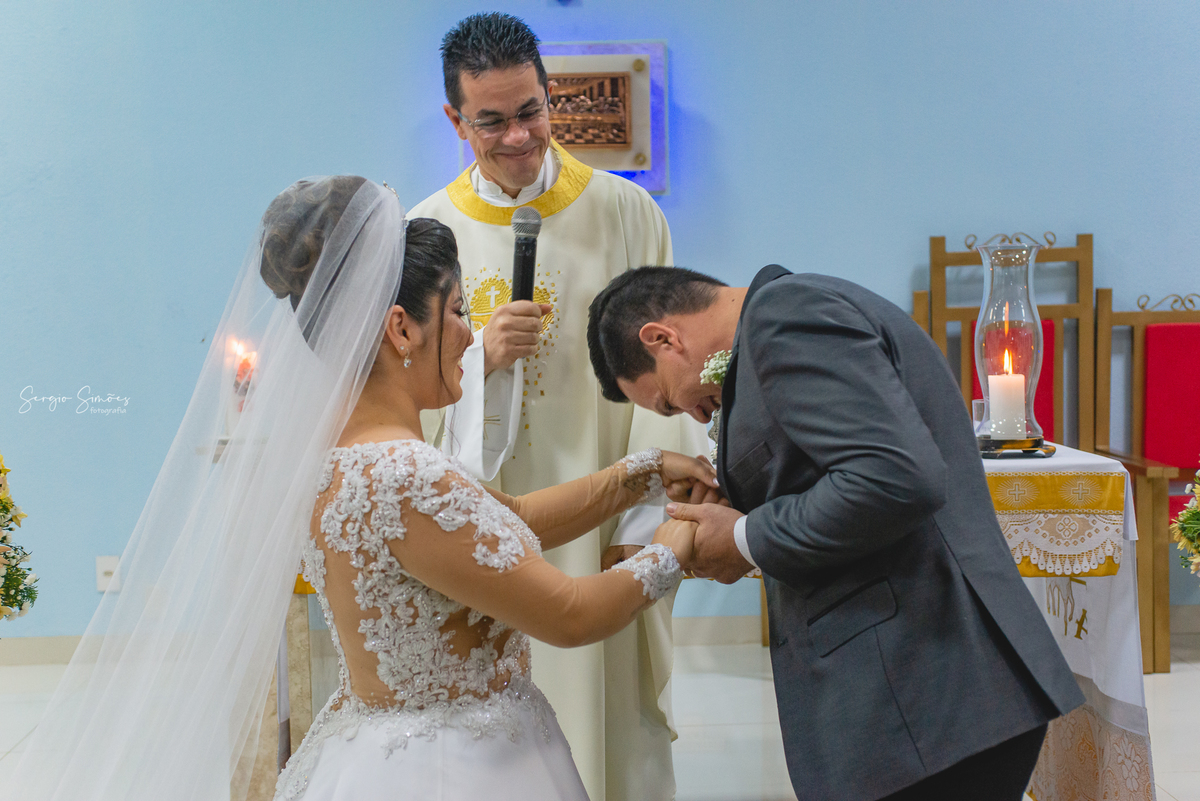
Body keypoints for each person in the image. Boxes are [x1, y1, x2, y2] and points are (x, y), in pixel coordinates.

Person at [1, 177, 714, 801]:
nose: (470, 336)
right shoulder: (407, 474)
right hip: (457, 767)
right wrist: (676, 546)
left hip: (375, 749)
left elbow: (512, 517)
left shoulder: (339, 460)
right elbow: (569, 615)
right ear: (401, 327)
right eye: (457, 311)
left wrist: (638, 475)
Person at [586, 265, 1087, 801]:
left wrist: (743, 538)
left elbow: (895, 477)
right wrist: (732, 512)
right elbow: (840, 481)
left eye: (668, 400)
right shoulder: (778, 327)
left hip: (925, 687)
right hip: (916, 696)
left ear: (663, 339)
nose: (690, 413)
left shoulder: (785, 316)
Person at [407, 13, 709, 801]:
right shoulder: (425, 233)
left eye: (531, 111)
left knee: (604, 725)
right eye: (491, 121)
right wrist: (477, 361)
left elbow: (669, 376)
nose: (518, 137)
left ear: (551, 97)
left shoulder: (627, 214)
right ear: (456, 120)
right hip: (483, 529)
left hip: (602, 524)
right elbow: (403, 391)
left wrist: (643, 526)